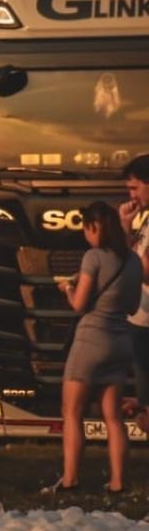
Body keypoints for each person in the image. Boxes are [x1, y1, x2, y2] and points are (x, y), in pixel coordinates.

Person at [45, 200, 144, 497]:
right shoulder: (133, 261)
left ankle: (71, 479)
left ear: (94, 228)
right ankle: (118, 482)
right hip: (121, 340)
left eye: (87, 229)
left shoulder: (93, 257)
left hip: (91, 339)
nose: (86, 235)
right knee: (113, 416)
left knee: (71, 411)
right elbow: (131, 305)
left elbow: (79, 305)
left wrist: (68, 288)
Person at [119, 155, 149, 405]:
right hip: (140, 318)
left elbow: (145, 270)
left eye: (134, 188)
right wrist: (126, 227)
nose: (132, 196)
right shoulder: (146, 219)